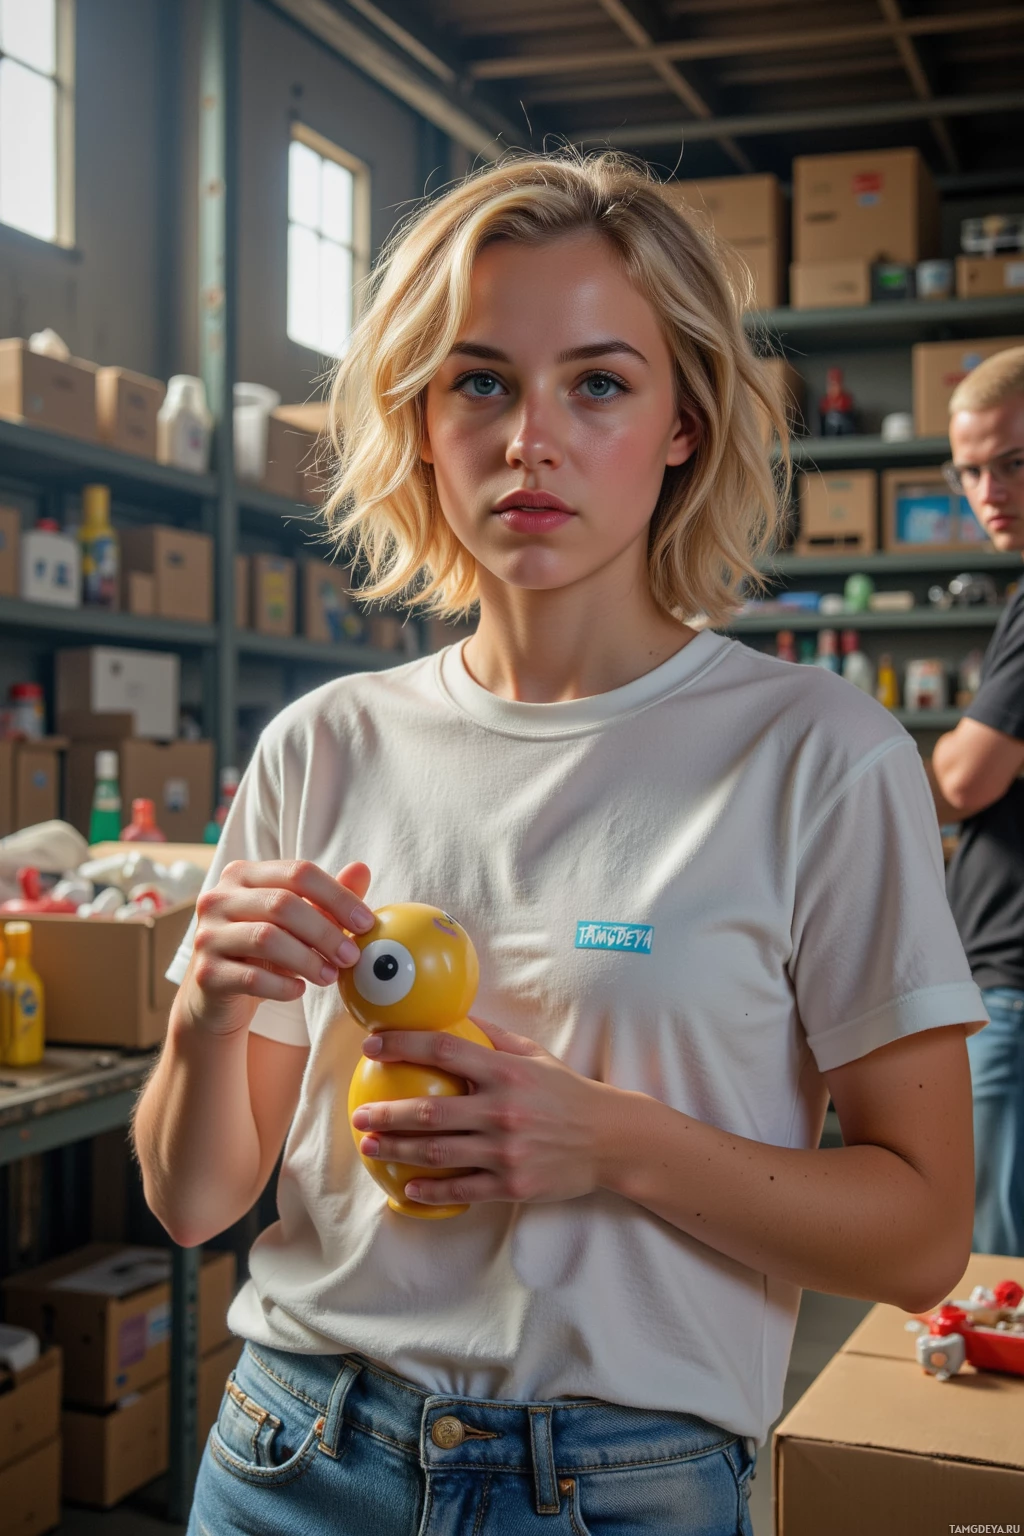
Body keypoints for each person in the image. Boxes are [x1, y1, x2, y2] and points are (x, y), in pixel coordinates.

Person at [133, 151, 986, 1536]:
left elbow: (921, 1237)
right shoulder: (325, 743)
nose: (531, 436)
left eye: (598, 382)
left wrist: (611, 1144)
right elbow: (193, 1200)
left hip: (622, 1489)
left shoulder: (817, 755)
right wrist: (207, 1015)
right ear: (419, 419)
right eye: (480, 381)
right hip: (294, 1451)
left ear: (682, 426)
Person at [925, 346, 1024, 1258]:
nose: (987, 489)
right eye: (969, 470)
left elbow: (963, 780)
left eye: (1012, 463)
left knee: (1001, 1270)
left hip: (1018, 989)